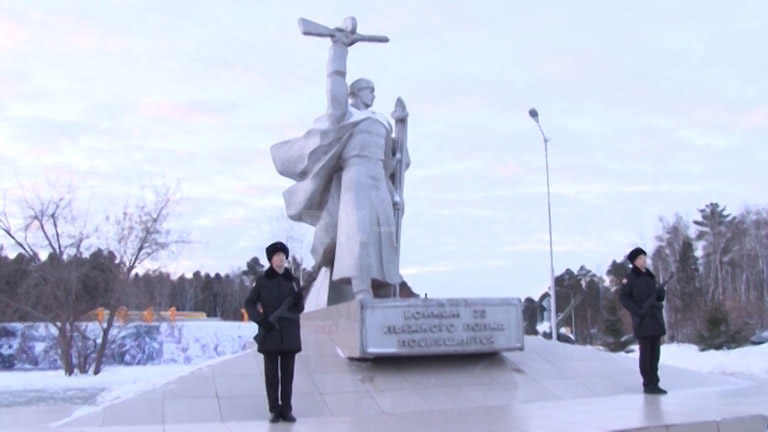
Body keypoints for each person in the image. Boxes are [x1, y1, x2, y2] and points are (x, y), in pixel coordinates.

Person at [269, 30, 410, 304]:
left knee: (383, 233)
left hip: (377, 178)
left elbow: (390, 160)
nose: (373, 95)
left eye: (374, 91)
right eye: (369, 90)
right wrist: (339, 51)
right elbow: (335, 83)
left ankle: (380, 285)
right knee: (358, 232)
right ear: (355, 93)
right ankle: (360, 288)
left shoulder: (381, 122)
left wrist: (393, 186)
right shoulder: (344, 115)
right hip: (354, 177)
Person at [244, 241, 304, 422]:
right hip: (270, 332)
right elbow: (249, 303)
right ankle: (274, 410)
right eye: (277, 256)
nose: (281, 259)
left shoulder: (293, 280)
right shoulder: (262, 281)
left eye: (283, 256)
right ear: (271, 259)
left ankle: (286, 409)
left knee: (288, 375)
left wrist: (295, 306)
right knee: (271, 376)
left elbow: (300, 306)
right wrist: (261, 320)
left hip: (290, 333)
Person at [619, 247, 668, 395]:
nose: (644, 260)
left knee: (655, 353)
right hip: (643, 320)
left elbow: (657, 297)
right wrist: (637, 311)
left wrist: (660, 294)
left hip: (655, 319)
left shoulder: (650, 276)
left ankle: (655, 382)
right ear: (634, 262)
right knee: (646, 353)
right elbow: (624, 298)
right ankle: (648, 383)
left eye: (644, 258)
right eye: (640, 258)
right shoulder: (630, 278)